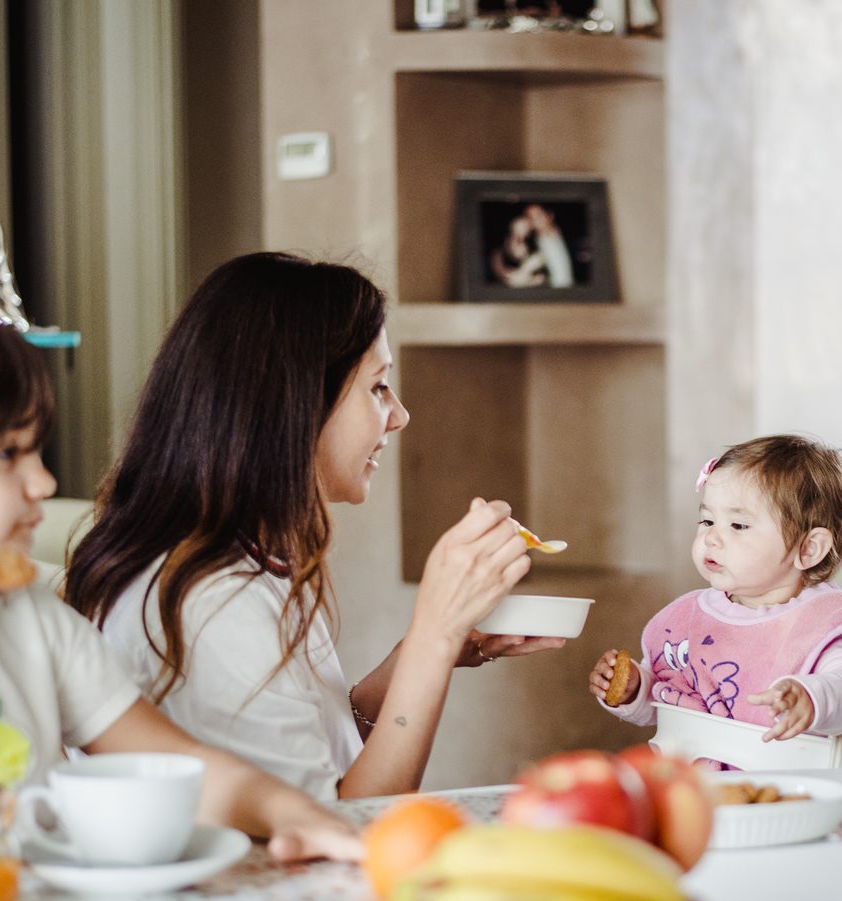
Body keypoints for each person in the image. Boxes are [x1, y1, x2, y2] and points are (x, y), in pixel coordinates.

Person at [0, 305, 360, 900]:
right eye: (6, 453)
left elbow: (178, 764)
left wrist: (287, 810)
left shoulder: (32, 620)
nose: (43, 482)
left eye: (36, 451)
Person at [64, 253, 562, 803]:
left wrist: (424, 656)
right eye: (378, 388)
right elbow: (341, 822)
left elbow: (314, 743)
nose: (399, 415)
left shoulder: (245, 555)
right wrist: (433, 634)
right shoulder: (212, 598)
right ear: (295, 406)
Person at [588, 435, 842, 755]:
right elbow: (672, 699)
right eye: (707, 521)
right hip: (692, 791)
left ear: (808, 548)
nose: (712, 538)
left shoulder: (824, 619)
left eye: (738, 525)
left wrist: (812, 697)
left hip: (787, 791)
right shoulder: (686, 618)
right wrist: (636, 688)